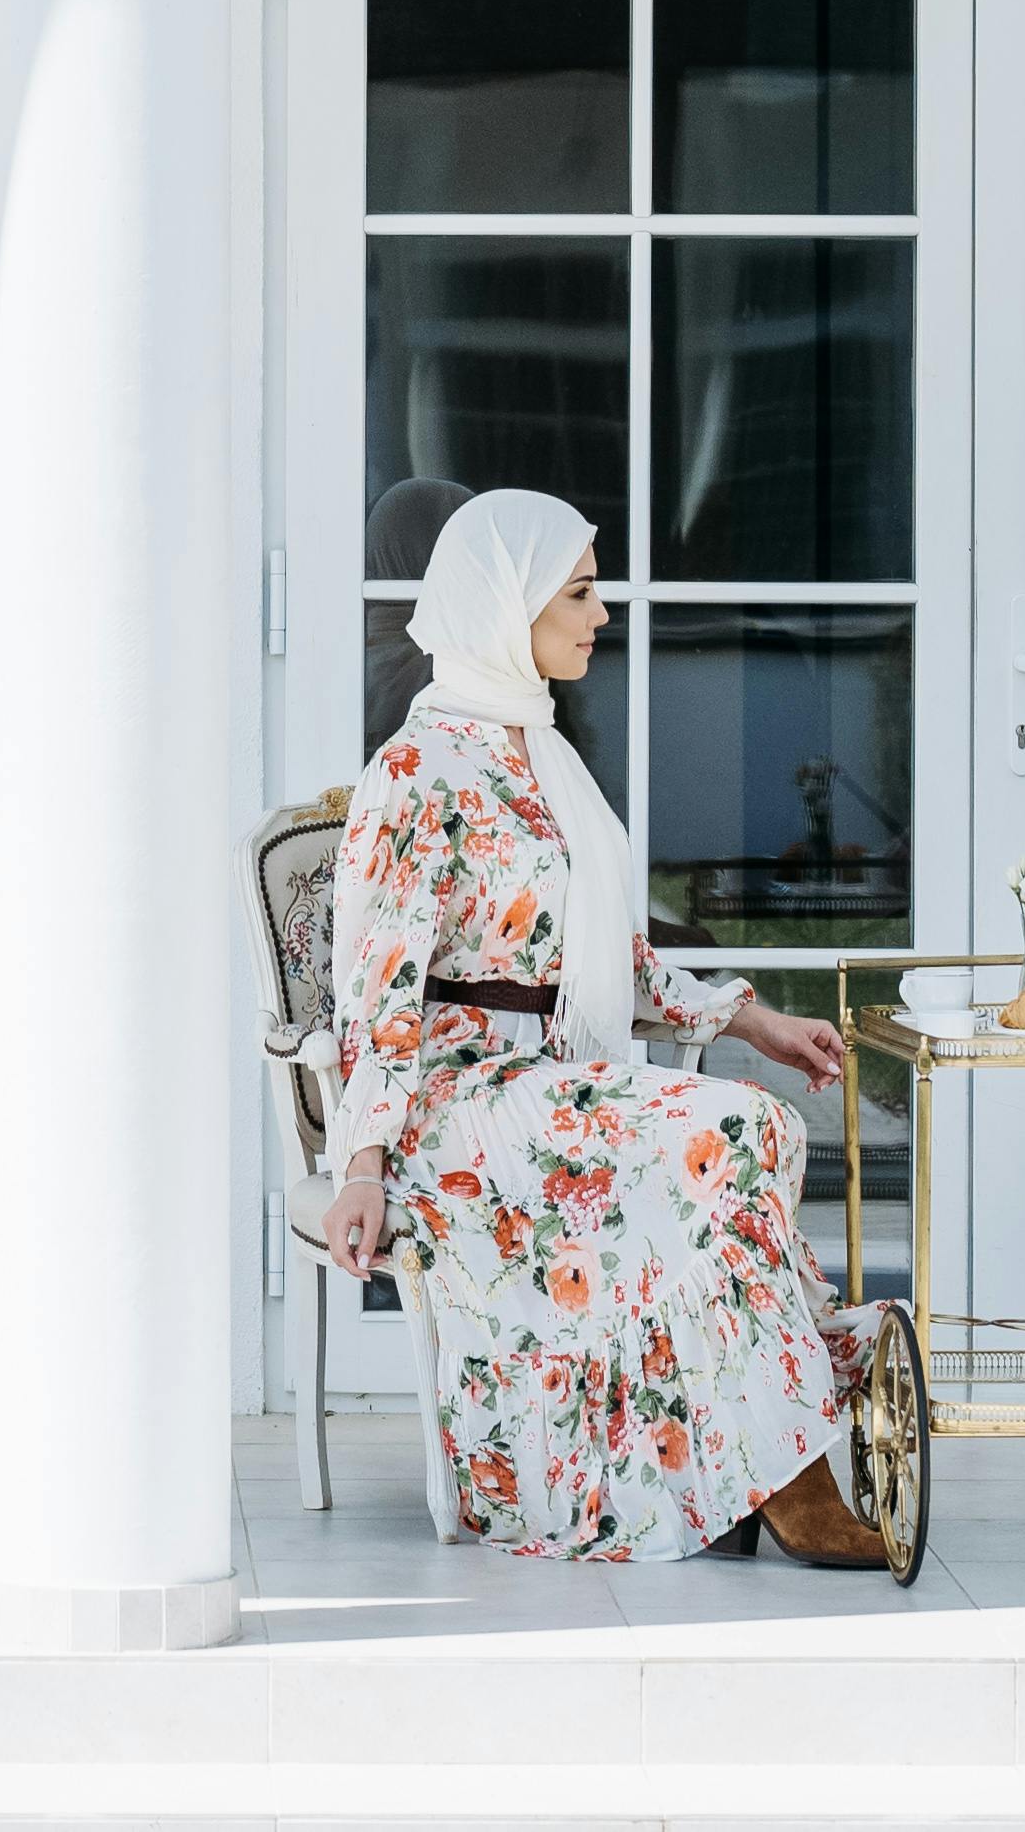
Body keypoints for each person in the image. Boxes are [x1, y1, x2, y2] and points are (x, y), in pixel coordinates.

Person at [319, 487, 889, 1565]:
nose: (601, 614)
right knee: (726, 1133)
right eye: (577, 591)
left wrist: (746, 1015)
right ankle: (784, 1472)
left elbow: (608, 958)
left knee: (758, 1122)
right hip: (460, 1106)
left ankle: (737, 1464)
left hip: (548, 1080)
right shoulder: (418, 768)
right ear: (506, 602)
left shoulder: (540, 749)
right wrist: (360, 1162)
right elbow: (379, 996)